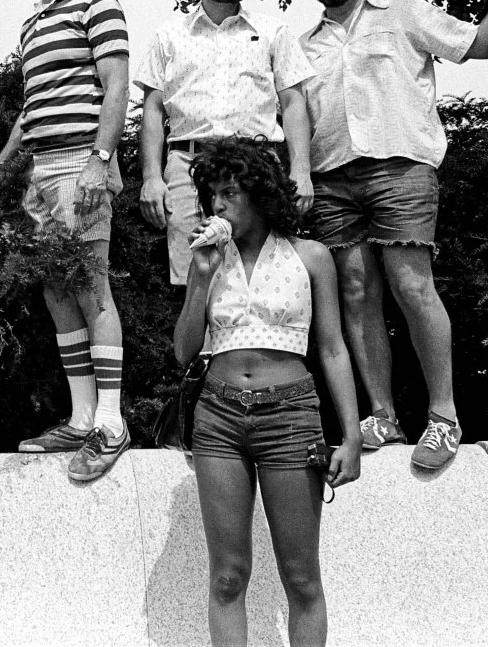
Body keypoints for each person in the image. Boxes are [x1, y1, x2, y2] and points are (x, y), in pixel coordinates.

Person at [299, 0, 488, 469]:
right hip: (331, 179)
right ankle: (382, 416)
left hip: (401, 167)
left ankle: (444, 416)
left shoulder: (403, 13)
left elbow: (481, 45)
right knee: (356, 294)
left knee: (411, 285)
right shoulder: (302, 45)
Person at [173, 137, 362, 647]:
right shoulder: (209, 259)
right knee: (227, 576)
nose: (217, 205)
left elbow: (332, 349)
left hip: (291, 417)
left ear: (259, 193)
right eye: (212, 195)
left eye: (229, 193)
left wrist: (351, 436)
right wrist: (200, 279)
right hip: (218, 417)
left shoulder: (311, 256)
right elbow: (184, 352)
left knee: (301, 579)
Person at [0, 0, 131, 482]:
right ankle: (81, 417)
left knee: (92, 284)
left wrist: (100, 159)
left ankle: (111, 423)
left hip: (81, 160)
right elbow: (33, 106)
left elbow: (116, 85)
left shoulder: (97, 2)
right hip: (41, 169)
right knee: (56, 289)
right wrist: (2, 165)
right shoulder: (31, 24)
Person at [137, 0, 314, 288]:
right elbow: (153, 111)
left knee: (263, 276)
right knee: (195, 279)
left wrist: (301, 171)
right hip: (187, 167)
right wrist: (152, 177)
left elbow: (294, 104)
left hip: (257, 167)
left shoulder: (273, 31)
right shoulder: (169, 36)